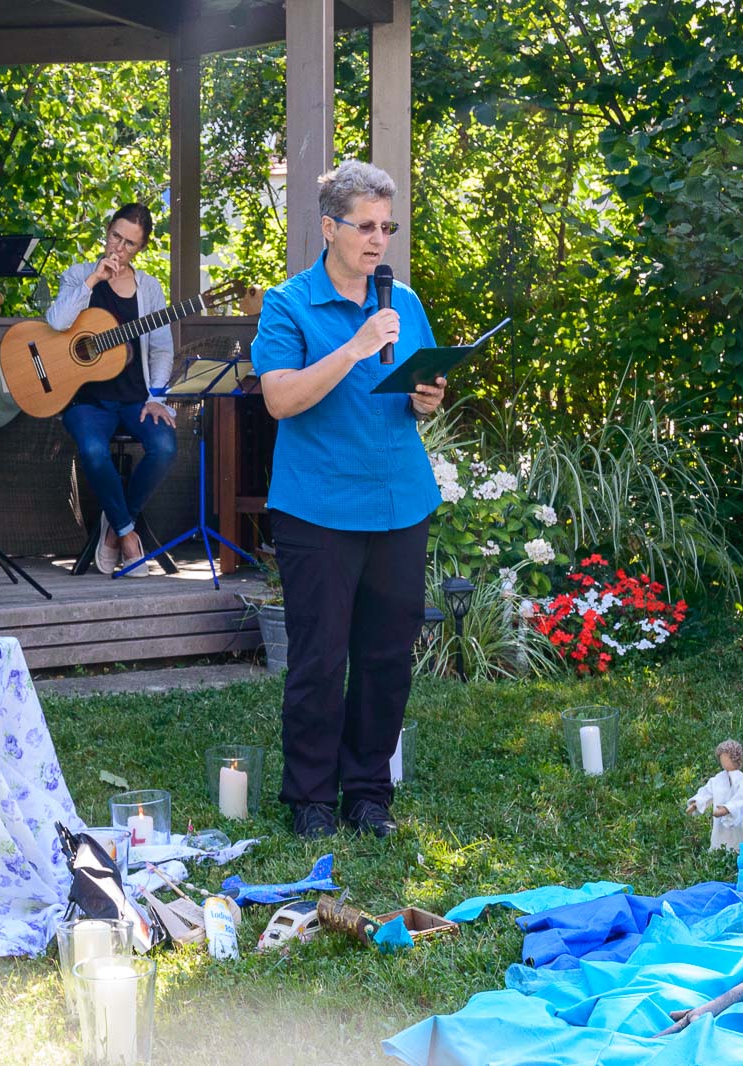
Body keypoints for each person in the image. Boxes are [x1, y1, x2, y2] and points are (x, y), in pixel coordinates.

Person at [250, 161, 446, 840]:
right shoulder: (289, 304)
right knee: (319, 657)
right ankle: (309, 798)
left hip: (399, 500)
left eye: (386, 226)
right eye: (365, 225)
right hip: (317, 507)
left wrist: (427, 397)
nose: (378, 239)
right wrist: (356, 347)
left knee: (388, 658)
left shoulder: (405, 302)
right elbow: (280, 398)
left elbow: (409, 389)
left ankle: (367, 793)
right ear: (329, 227)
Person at [46, 204, 176, 577]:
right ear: (107, 232)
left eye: (130, 244)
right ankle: (127, 535)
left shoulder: (149, 288)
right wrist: (93, 281)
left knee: (165, 446)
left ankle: (116, 524)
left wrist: (157, 397)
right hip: (86, 400)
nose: (119, 248)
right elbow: (56, 322)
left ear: (141, 248)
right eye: (116, 237)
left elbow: (162, 347)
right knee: (91, 449)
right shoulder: (77, 275)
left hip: (136, 398)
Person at [685, 739, 743, 852]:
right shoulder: (719, 778)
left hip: (735, 822)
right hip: (719, 825)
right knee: (719, 840)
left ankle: (740, 853)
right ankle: (719, 853)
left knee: (739, 839)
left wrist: (727, 809)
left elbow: (742, 798)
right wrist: (697, 803)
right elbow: (708, 790)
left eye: (725, 757)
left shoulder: (742, 781)